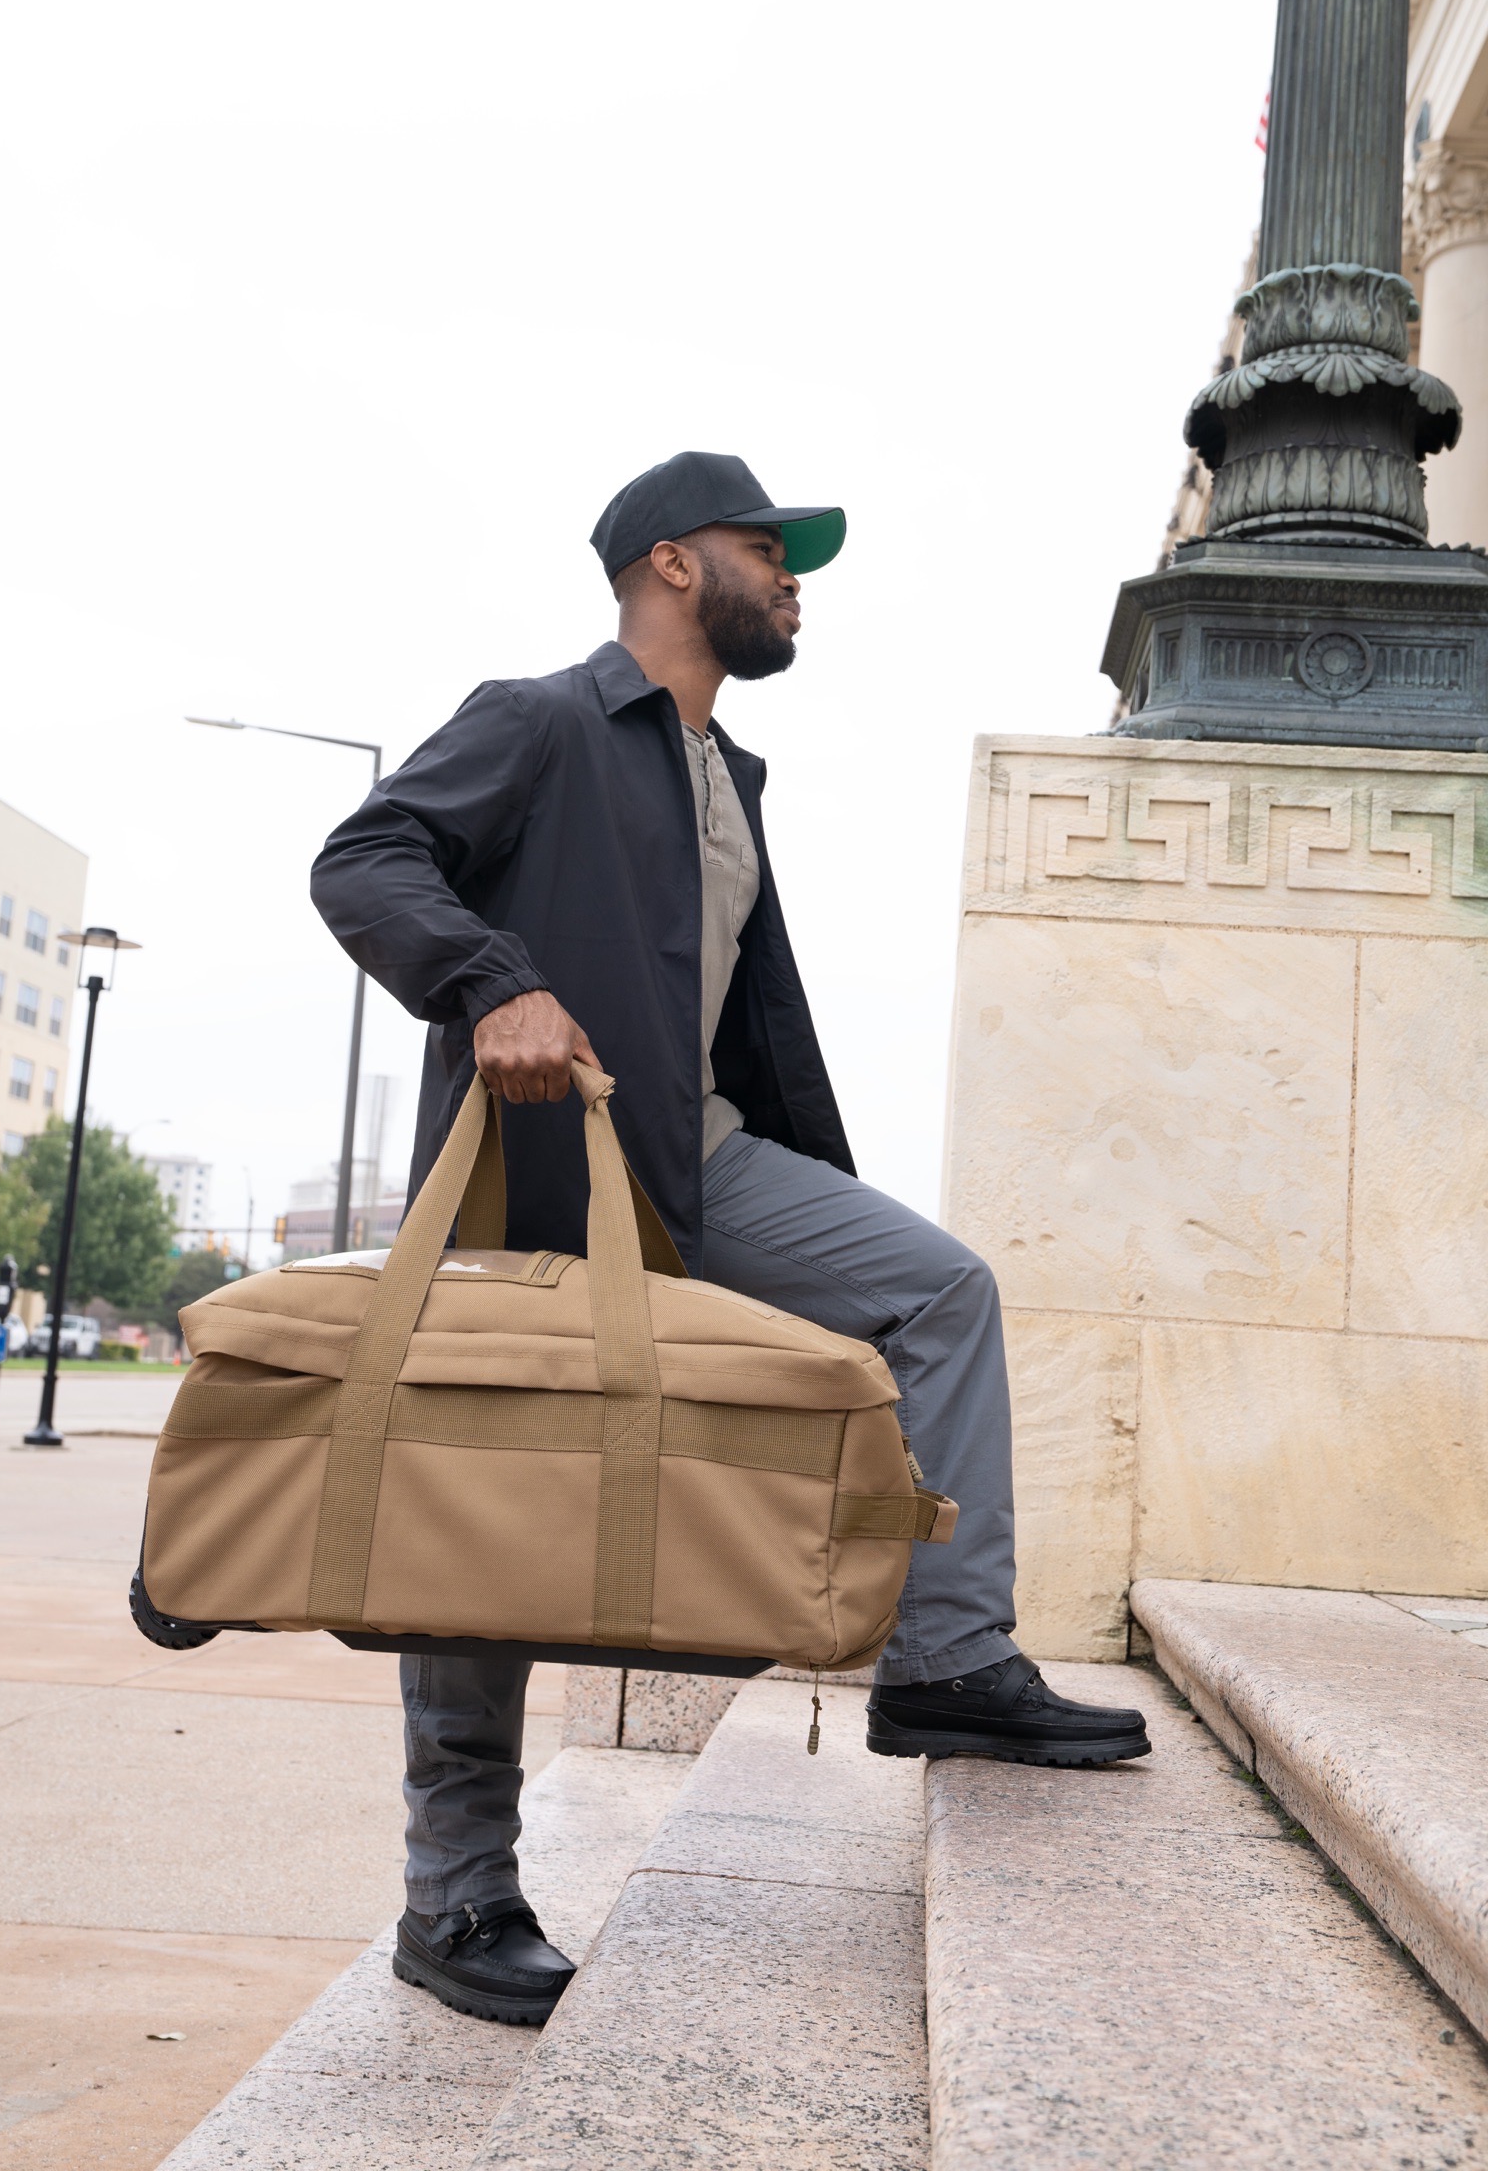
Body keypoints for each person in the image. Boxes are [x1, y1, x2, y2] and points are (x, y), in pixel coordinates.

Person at [310, 449, 1149, 2027]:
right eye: (770, 550)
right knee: (485, 1502)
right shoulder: (544, 716)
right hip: (538, 1182)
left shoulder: (726, 772)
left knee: (936, 1288)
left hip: (693, 1159)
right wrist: (494, 984)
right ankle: (455, 1896)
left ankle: (947, 1663)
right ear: (675, 565)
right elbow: (363, 859)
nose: (795, 578)